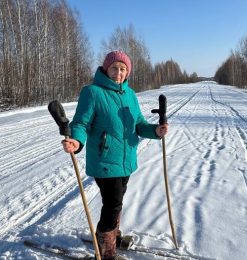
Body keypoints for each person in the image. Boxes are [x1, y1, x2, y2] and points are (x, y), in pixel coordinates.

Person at [62, 50, 168, 260]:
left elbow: (139, 124)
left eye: (123, 69)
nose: (118, 72)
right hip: (104, 160)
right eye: (114, 68)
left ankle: (111, 235)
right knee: (113, 203)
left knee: (117, 201)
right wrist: (76, 140)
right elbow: (81, 123)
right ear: (105, 68)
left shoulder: (130, 94)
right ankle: (106, 250)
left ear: (127, 72)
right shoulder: (92, 92)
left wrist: (155, 131)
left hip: (126, 160)